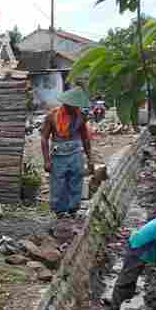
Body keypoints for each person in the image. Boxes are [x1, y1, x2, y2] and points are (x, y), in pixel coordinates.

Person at [41, 87, 94, 216]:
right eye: (72, 106)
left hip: (75, 153)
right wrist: (46, 160)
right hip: (58, 154)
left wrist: (90, 158)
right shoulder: (52, 116)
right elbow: (44, 138)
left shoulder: (81, 116)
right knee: (58, 182)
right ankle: (59, 210)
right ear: (66, 103)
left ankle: (73, 209)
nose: (74, 108)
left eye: (77, 106)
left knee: (76, 179)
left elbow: (85, 138)